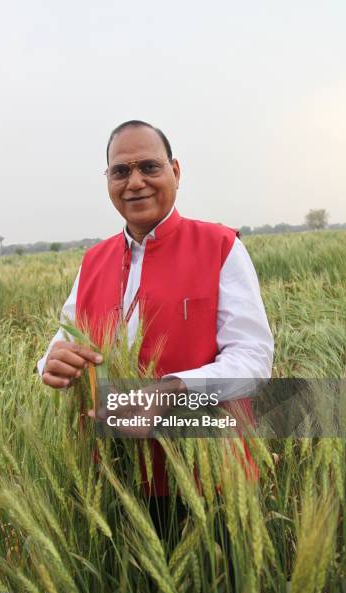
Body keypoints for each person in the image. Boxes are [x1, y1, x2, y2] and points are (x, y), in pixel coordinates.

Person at [37, 119, 274, 496]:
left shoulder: (220, 246)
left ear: (175, 172)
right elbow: (63, 341)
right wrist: (50, 362)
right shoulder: (92, 261)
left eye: (149, 167)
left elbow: (254, 361)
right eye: (120, 172)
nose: (134, 182)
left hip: (210, 476)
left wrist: (173, 390)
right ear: (109, 182)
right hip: (114, 477)